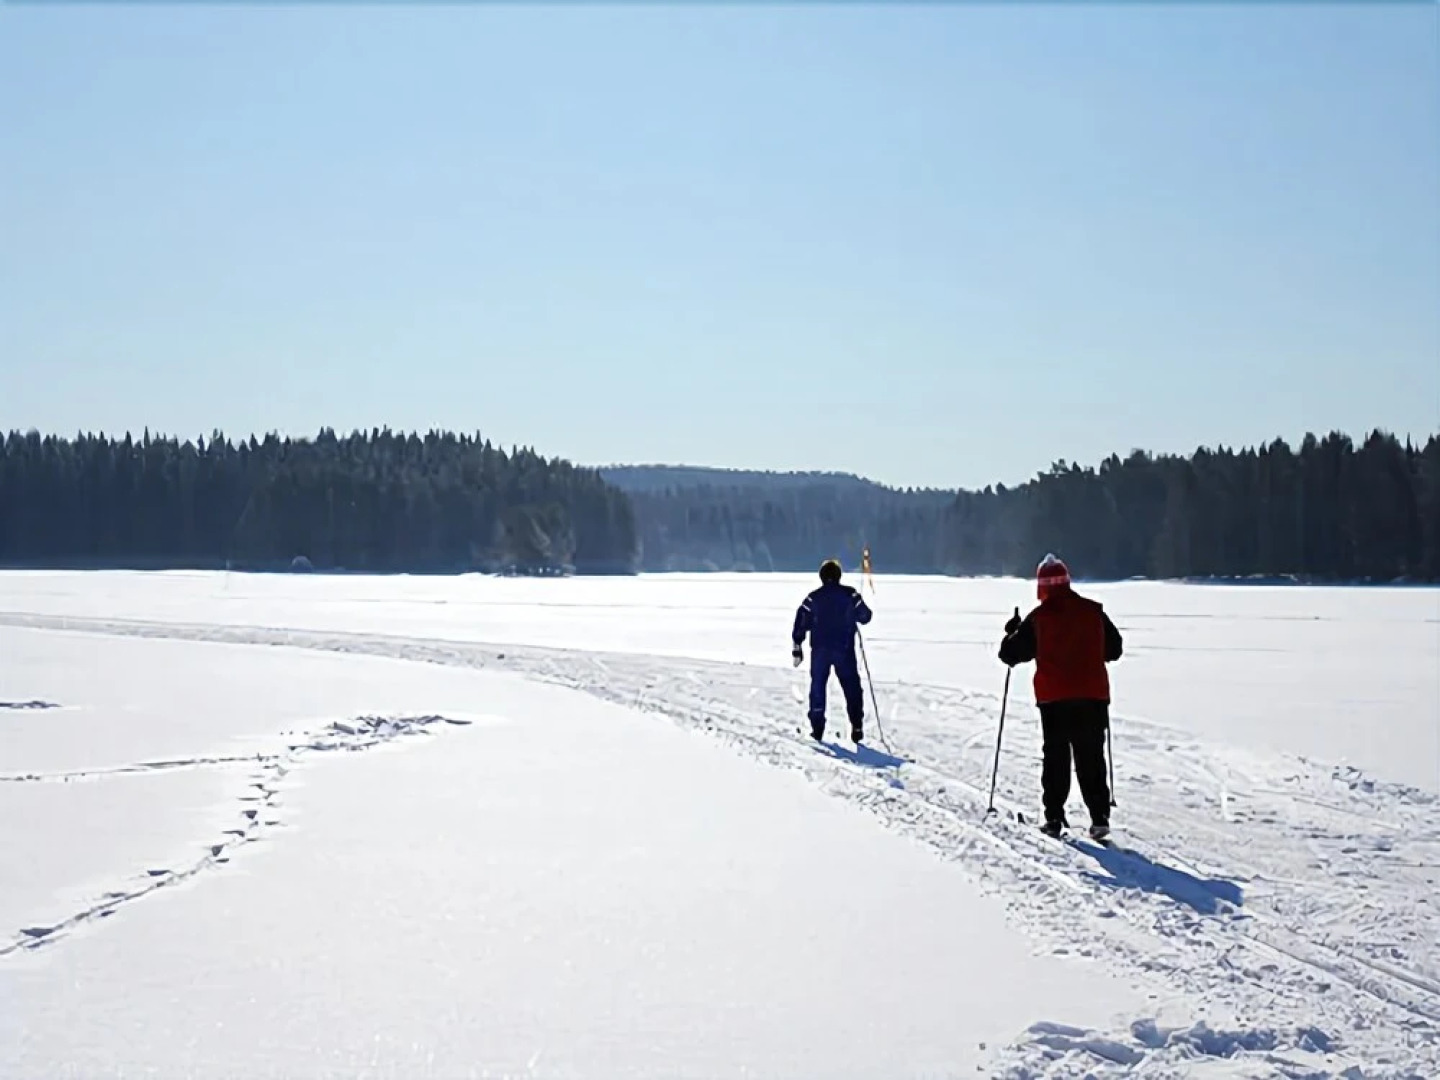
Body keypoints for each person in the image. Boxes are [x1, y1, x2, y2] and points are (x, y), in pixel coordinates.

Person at [999, 553, 1123, 839]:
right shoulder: (1093, 611)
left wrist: (1011, 632)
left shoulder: (1039, 618)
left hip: (1054, 698)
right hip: (1092, 695)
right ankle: (1099, 816)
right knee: (1091, 756)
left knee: (1056, 756)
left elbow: (1010, 655)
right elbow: (1114, 650)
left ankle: (1054, 816)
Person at [791, 558, 873, 743]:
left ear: (821, 577)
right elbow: (866, 616)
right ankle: (857, 726)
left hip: (820, 650)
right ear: (839, 576)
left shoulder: (813, 598)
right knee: (851, 687)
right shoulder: (850, 595)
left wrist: (797, 646)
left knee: (818, 687)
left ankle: (817, 728)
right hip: (844, 650)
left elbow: (801, 621)